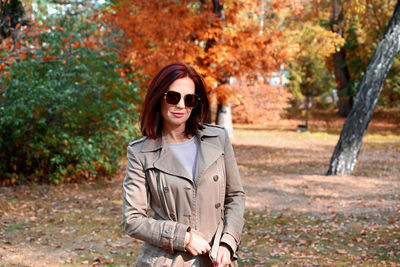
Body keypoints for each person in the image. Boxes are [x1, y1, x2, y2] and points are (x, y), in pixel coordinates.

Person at [122, 62, 245, 267]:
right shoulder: (140, 153)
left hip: (216, 259)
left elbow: (235, 196)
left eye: (189, 99)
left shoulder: (218, 139)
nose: (181, 105)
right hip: (167, 261)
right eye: (172, 97)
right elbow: (132, 220)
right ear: (158, 99)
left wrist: (227, 242)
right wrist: (183, 237)